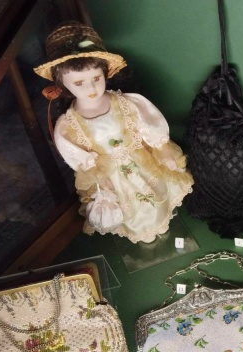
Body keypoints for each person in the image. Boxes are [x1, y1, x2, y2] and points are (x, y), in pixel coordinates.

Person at [34, 22, 193, 243]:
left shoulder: (127, 102)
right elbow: (81, 160)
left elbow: (148, 126)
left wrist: (162, 149)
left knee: (155, 195)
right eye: (79, 83)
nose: (90, 88)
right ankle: (143, 232)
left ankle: (160, 222)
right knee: (131, 208)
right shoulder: (68, 125)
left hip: (142, 163)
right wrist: (100, 182)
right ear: (63, 84)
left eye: (96, 78)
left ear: (105, 73)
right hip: (112, 177)